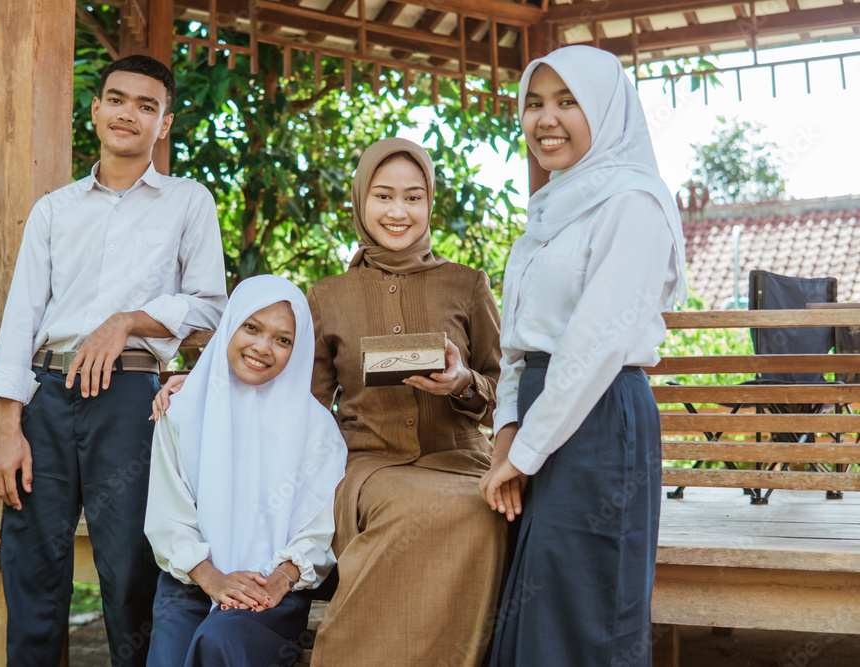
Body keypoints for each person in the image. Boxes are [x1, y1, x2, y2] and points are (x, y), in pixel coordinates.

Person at [0, 54, 227, 666]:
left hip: (132, 402)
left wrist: (128, 321)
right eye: (117, 99)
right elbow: (21, 322)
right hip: (46, 399)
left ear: (164, 124)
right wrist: (10, 428)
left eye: (147, 106)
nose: (128, 114)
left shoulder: (188, 203)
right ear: (96, 109)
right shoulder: (55, 209)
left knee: (131, 573)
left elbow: (212, 308)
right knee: (31, 568)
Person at [479, 45, 687, 667]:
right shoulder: (546, 213)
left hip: (599, 420)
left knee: (586, 610)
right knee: (536, 607)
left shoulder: (634, 203)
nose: (547, 118)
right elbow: (517, 340)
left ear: (605, 109)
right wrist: (507, 431)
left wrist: (524, 452)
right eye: (534, 103)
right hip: (542, 418)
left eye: (568, 102)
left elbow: (594, 346)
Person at [306, 137, 507, 667]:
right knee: (407, 505)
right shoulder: (327, 296)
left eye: (413, 198)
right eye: (384, 196)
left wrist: (464, 383)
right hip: (371, 464)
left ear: (430, 203)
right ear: (361, 201)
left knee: (484, 511)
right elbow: (302, 402)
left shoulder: (467, 285)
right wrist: (201, 381)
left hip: (461, 461)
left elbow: (505, 386)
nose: (398, 212)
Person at [143, 274, 347, 667]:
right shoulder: (182, 411)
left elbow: (318, 531)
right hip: (191, 582)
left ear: (298, 349)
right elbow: (168, 517)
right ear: (230, 325)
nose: (262, 347)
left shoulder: (319, 430)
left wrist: (280, 579)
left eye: (283, 339)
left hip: (270, 592)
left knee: (222, 640)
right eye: (251, 327)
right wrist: (213, 579)